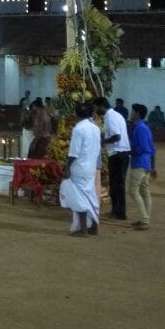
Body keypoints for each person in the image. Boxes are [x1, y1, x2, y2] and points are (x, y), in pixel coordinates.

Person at [59, 103, 100, 236]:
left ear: (76, 114)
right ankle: (93, 227)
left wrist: (67, 168)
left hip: (79, 167)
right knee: (91, 197)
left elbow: (73, 153)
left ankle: (83, 230)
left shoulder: (79, 129)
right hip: (90, 167)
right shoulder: (95, 127)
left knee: (79, 199)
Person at [100, 96, 131, 221]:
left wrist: (103, 141)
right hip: (121, 153)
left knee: (116, 184)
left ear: (101, 106)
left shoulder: (110, 117)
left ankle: (118, 212)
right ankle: (118, 211)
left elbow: (116, 136)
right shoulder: (117, 115)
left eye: (96, 107)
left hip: (117, 153)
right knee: (117, 184)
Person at [127, 104, 156, 231]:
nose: (131, 113)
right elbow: (151, 148)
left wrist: (128, 151)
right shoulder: (143, 127)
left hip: (139, 162)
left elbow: (143, 148)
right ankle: (145, 219)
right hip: (145, 162)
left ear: (137, 113)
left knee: (133, 191)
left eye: (133, 111)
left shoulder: (140, 128)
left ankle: (144, 220)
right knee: (144, 191)